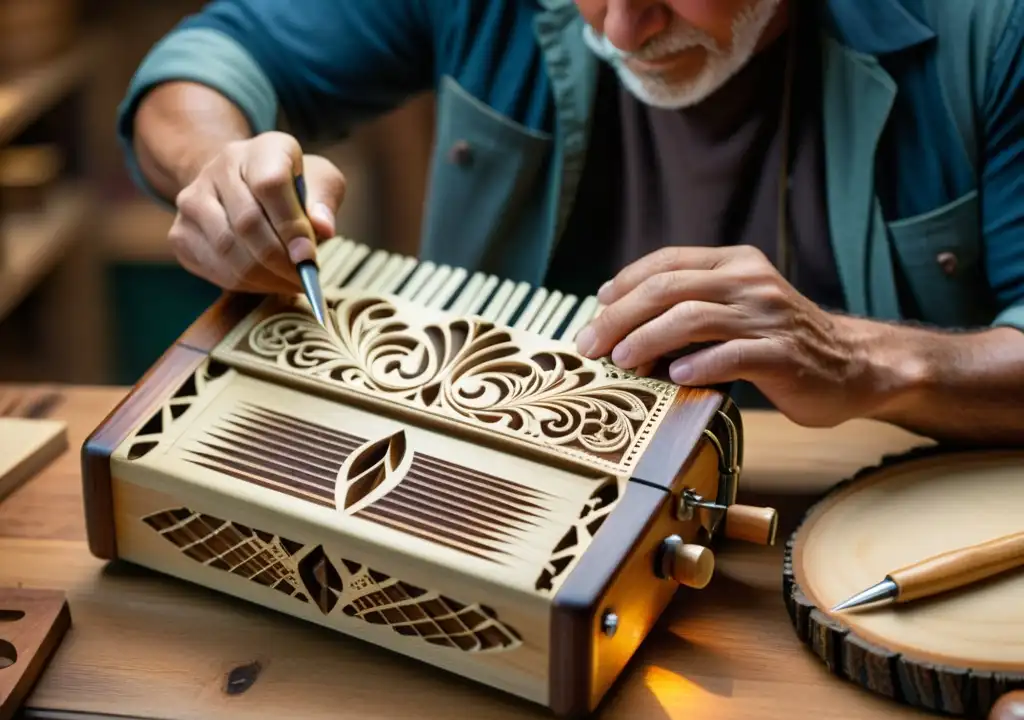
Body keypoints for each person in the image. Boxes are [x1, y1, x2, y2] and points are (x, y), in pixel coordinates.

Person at [117, 0, 1024, 445]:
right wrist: (215, 168)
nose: (623, 30)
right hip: (493, 492)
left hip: (853, 540)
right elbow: (208, 59)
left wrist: (869, 360)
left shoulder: (992, 27)